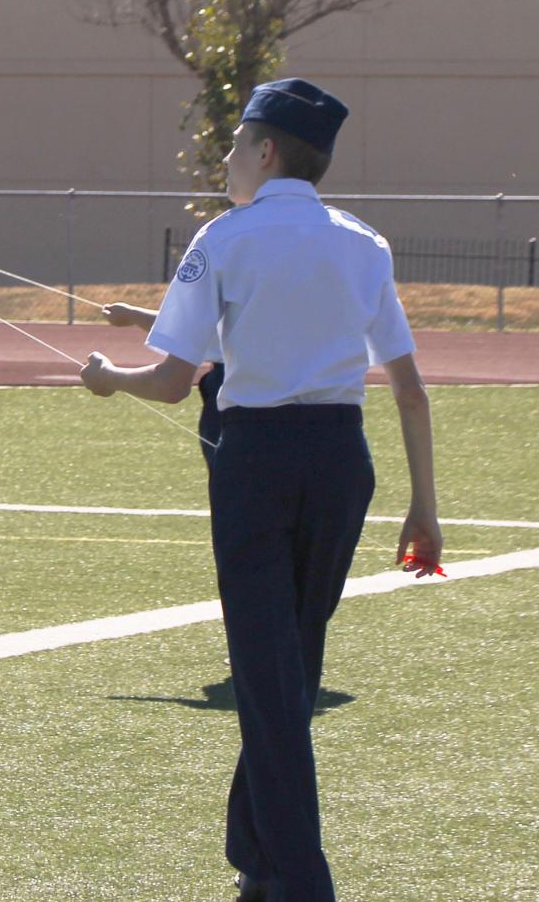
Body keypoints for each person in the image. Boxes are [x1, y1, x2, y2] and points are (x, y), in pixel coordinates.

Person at [79, 79, 443, 902]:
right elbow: (410, 390)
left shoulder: (225, 236)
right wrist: (425, 507)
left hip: (257, 461)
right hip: (342, 459)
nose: (229, 159)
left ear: (267, 149)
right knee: (291, 661)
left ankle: (298, 877)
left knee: (267, 670)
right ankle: (257, 855)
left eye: (238, 144)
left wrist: (107, 380)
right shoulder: (364, 242)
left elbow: (173, 382)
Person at [102, 301, 225, 462]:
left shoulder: (223, 277)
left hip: (235, 403)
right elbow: (205, 332)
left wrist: (108, 376)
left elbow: (171, 385)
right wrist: (132, 315)